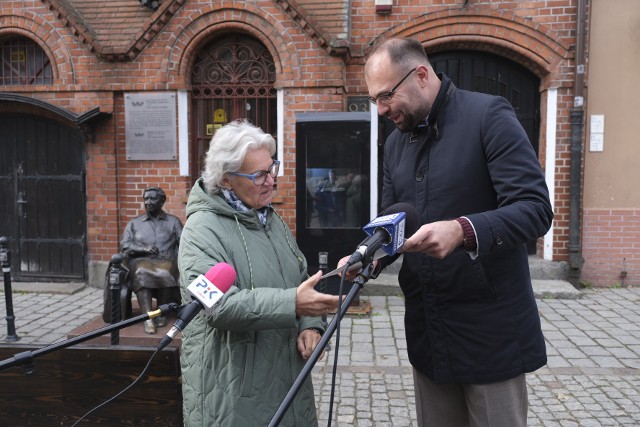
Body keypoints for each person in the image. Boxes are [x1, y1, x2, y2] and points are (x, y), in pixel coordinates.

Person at [351, 38, 554, 426]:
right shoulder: (395, 143)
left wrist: (464, 230)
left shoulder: (488, 116)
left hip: (491, 337)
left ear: (422, 75)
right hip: (430, 337)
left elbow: (535, 208)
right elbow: (395, 221)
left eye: (386, 96)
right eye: (375, 100)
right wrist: (366, 254)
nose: (381, 110)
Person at [178, 119, 339, 426]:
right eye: (259, 174)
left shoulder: (270, 219)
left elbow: (300, 278)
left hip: (288, 380)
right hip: (233, 392)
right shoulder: (200, 231)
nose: (271, 180)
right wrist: (292, 303)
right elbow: (218, 306)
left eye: (272, 167)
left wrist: (311, 324)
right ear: (226, 180)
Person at [120, 187, 183, 334]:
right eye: (145, 199)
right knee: (141, 271)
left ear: (162, 201)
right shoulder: (134, 223)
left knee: (166, 271)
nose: (148, 202)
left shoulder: (173, 222)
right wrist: (144, 248)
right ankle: (147, 317)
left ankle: (162, 312)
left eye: (152, 199)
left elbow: (185, 242)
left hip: (167, 261)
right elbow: (125, 245)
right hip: (141, 261)